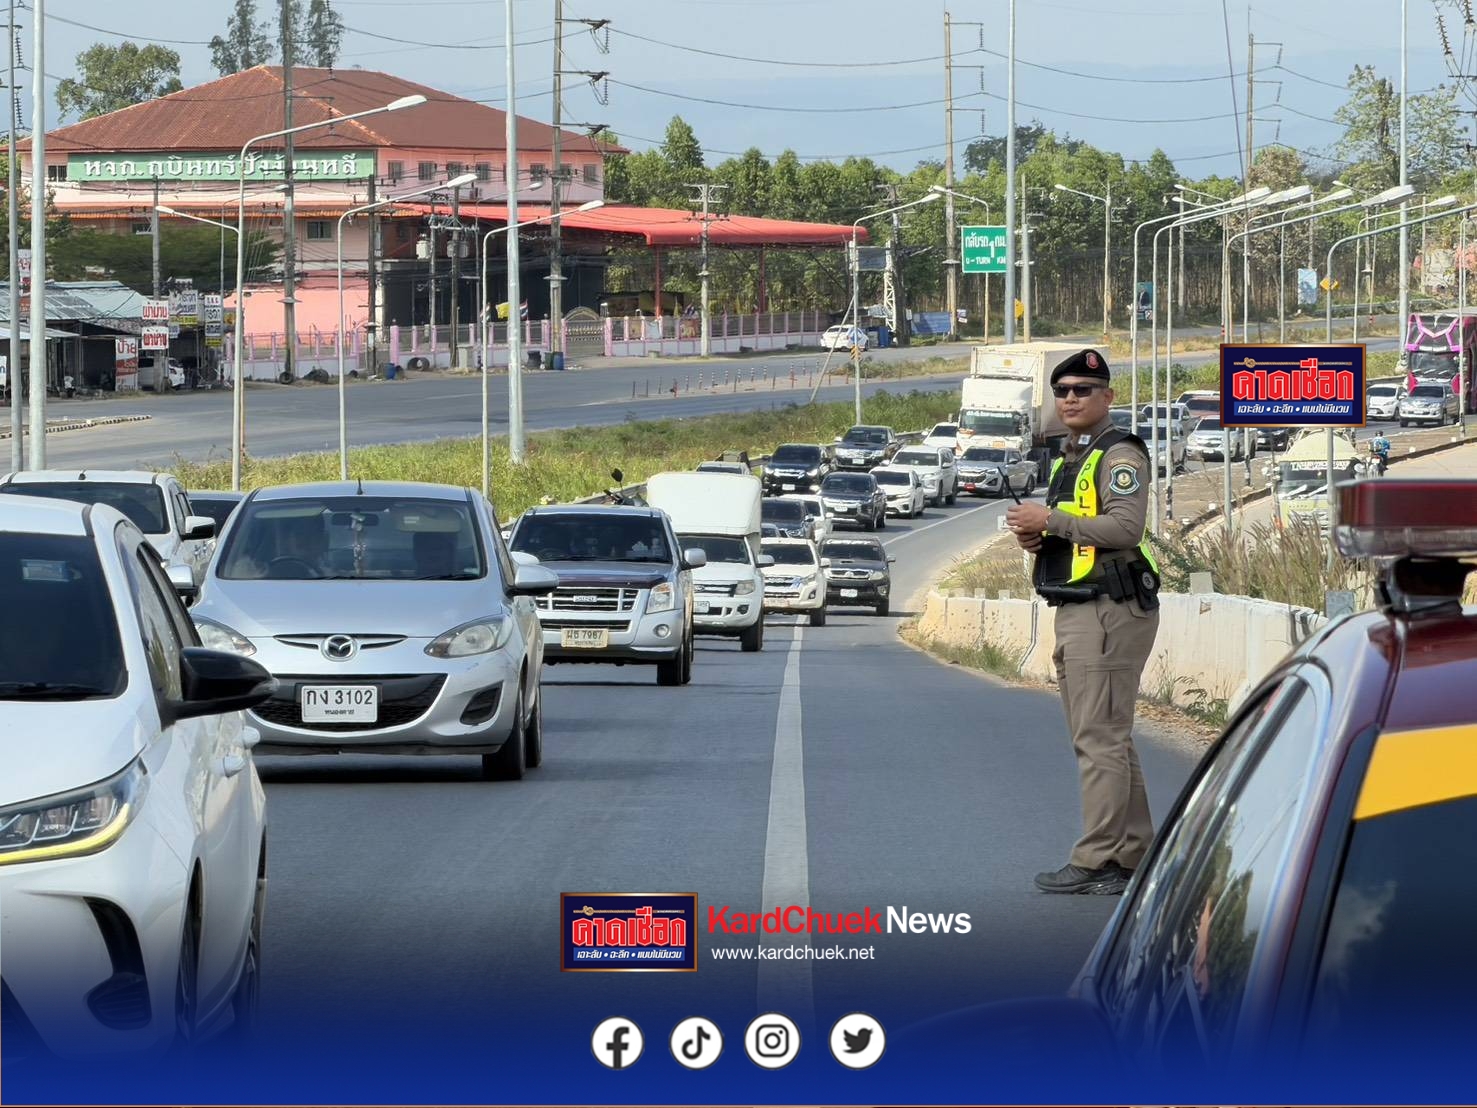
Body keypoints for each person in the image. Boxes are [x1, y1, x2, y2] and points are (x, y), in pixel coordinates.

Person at [1005, 347, 1161, 896]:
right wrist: (1037, 537)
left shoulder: (1119, 453)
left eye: (1083, 390)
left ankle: (1096, 859)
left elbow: (1125, 529)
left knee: (1100, 740)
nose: (1070, 399)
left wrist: (1049, 519)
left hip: (1108, 609)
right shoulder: (1073, 457)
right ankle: (1132, 853)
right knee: (1105, 738)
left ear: (1108, 397)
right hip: (1078, 607)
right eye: (1062, 391)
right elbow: (1078, 532)